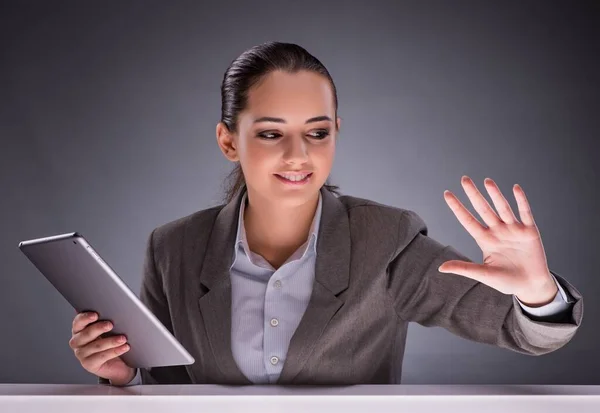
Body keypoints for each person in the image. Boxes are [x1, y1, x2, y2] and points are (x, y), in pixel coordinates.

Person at [68, 42, 583, 386]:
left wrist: (537, 294)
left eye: (318, 132)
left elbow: (525, 332)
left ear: (336, 129)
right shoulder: (173, 248)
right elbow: (165, 388)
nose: (299, 155)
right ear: (228, 140)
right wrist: (122, 375)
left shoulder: (389, 239)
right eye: (271, 133)